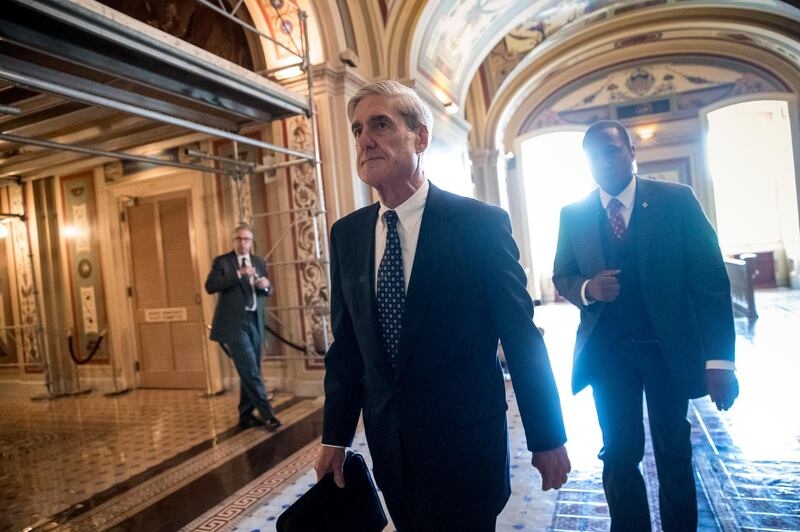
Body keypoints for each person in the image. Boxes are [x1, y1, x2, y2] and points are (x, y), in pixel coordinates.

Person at [314, 80, 571, 531]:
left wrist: (547, 436)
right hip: (390, 450)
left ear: (420, 137)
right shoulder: (348, 235)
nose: (364, 139)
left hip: (465, 447)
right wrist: (334, 436)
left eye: (380, 124)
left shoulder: (479, 225)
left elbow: (521, 336)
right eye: (357, 130)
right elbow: (348, 347)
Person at [553, 120, 739, 531]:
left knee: (673, 448)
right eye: (594, 155)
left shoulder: (677, 201)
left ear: (631, 153)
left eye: (612, 151)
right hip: (609, 354)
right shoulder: (574, 214)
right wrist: (587, 288)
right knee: (619, 453)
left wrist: (721, 362)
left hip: (666, 349)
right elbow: (561, 275)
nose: (603, 161)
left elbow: (710, 282)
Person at [205, 224, 281, 431]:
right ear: (233, 241)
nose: (243, 242)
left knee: (251, 369)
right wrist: (238, 274)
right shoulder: (222, 262)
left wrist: (265, 286)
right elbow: (210, 286)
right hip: (233, 324)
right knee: (250, 369)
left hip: (255, 322)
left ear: (251, 241)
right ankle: (268, 415)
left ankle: (245, 415)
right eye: (239, 238)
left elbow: (268, 291)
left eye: (247, 239)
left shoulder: (258, 262)